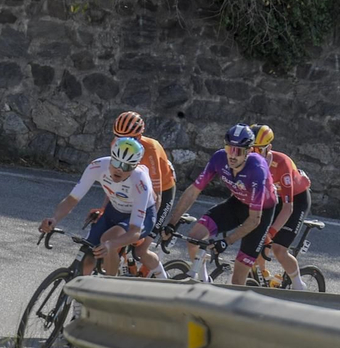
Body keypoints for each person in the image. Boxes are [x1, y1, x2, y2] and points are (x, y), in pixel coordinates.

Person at [163, 124, 276, 285]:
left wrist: (227, 241)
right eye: (229, 149)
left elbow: (254, 220)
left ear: (249, 151)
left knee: (238, 278)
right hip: (237, 203)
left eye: (238, 151)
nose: (232, 155)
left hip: (260, 212)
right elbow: (193, 191)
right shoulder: (219, 158)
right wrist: (172, 223)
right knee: (193, 239)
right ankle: (204, 282)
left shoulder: (257, 169)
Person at [38, 136, 166, 278]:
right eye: (116, 162)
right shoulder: (97, 166)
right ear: (111, 158)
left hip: (143, 216)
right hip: (115, 209)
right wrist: (54, 219)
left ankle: (108, 286)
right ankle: (78, 298)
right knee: (87, 257)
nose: (119, 169)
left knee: (107, 240)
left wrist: (112, 244)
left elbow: (135, 231)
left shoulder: (140, 181)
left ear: (135, 166)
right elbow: (71, 200)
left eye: (126, 166)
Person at [249, 123, 314, 290]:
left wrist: (271, 233)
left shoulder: (282, 163)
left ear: (269, 148)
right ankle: (263, 276)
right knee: (257, 236)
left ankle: (300, 287)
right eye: (250, 150)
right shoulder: (249, 163)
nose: (253, 155)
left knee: (278, 248)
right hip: (275, 197)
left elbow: (288, 208)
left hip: (295, 200)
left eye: (258, 150)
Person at [112, 111, 176, 229]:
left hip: (164, 187)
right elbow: (114, 181)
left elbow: (157, 193)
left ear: (139, 136)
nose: (124, 143)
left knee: (142, 243)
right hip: (137, 184)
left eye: (129, 138)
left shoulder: (150, 148)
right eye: (119, 137)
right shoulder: (116, 144)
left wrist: (147, 226)